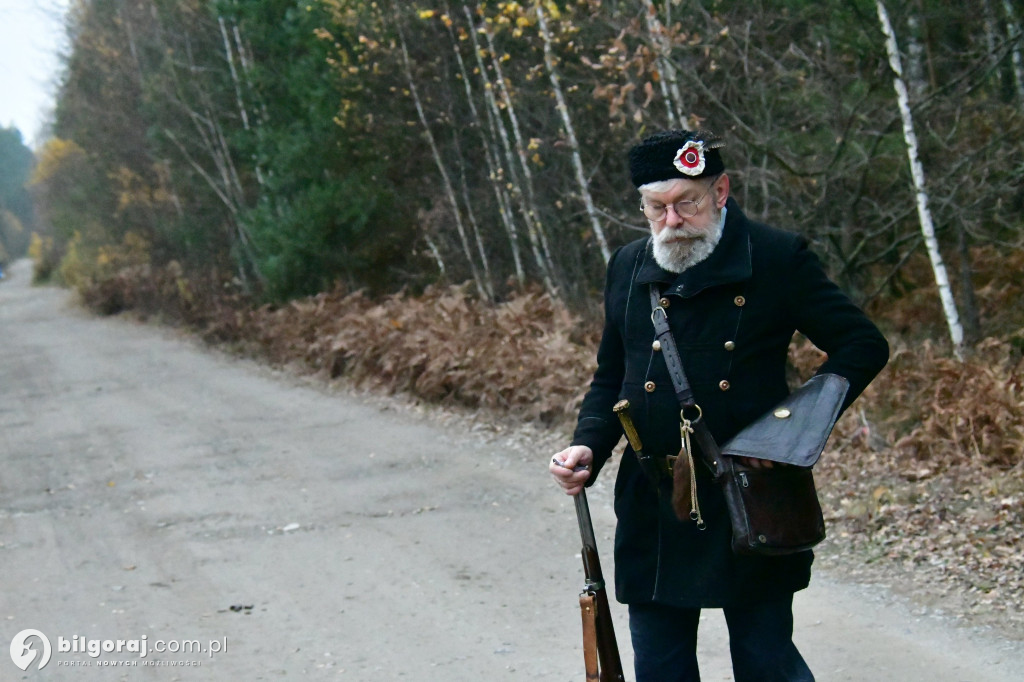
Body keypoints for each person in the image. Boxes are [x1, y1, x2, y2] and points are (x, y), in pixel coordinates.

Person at [549, 129, 888, 681]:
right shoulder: (629, 266)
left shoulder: (777, 258)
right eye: (657, 208)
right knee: (659, 668)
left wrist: (784, 437)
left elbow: (862, 346)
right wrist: (587, 444)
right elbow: (615, 377)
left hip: (750, 495)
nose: (673, 221)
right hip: (654, 501)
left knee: (765, 664)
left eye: (688, 202)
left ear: (721, 191)